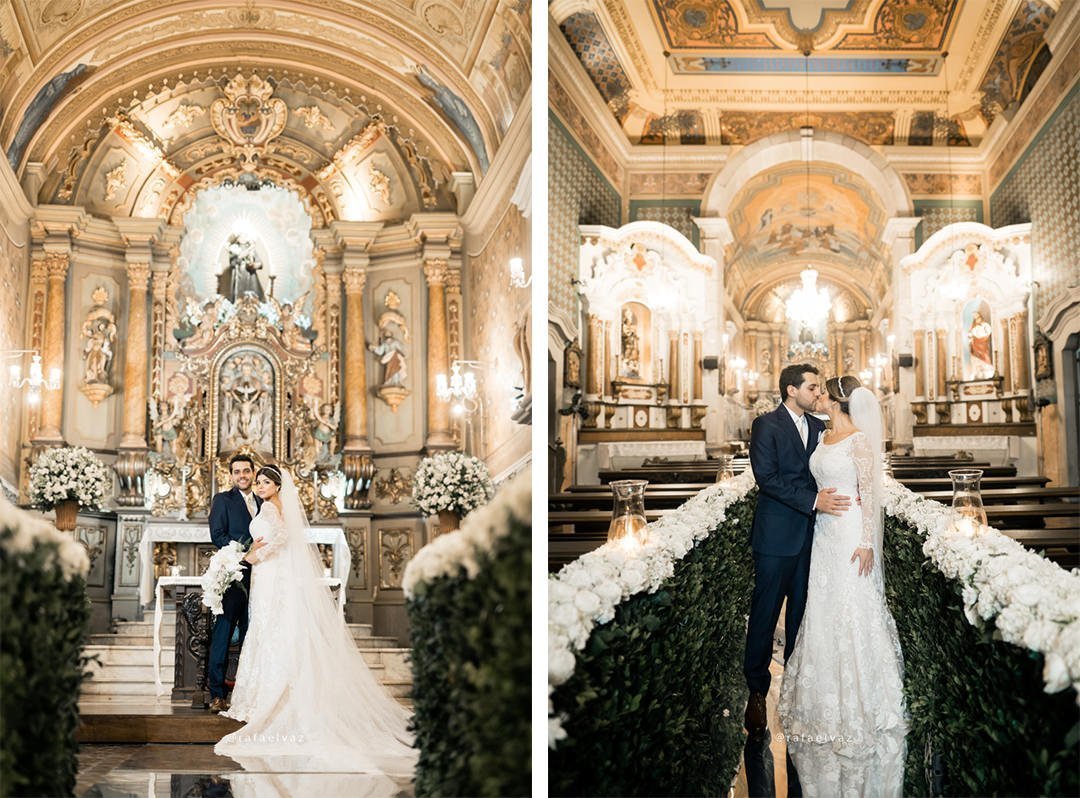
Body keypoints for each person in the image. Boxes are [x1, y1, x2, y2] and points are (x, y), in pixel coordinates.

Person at [215, 464, 417, 775]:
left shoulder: (270, 506)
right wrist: (255, 551)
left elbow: (280, 536)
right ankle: (270, 696)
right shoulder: (270, 505)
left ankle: (273, 698)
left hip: (271, 576)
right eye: (258, 482)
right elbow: (276, 535)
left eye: (265, 481)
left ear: (278, 485)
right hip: (271, 576)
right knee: (269, 630)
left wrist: (253, 557)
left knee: (271, 631)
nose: (259, 485)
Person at [778, 376, 908, 796]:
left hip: (850, 532)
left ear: (835, 398)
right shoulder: (824, 433)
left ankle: (860, 704)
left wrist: (868, 540)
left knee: (853, 608)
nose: (816, 395)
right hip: (824, 535)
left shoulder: (858, 441)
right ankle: (825, 700)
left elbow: (870, 494)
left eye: (821, 390)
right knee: (824, 608)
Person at [744, 364, 850, 794]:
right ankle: (756, 688)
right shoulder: (765, 425)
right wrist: (813, 501)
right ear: (791, 390)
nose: (817, 391)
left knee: (804, 615)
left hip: (813, 538)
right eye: (811, 386)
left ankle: (797, 689)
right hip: (776, 536)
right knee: (765, 613)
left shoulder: (822, 426)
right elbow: (765, 480)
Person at [207, 454, 263, 713]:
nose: (242, 475)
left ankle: (249, 694)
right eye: (237, 471)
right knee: (224, 634)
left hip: (262, 578)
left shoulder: (264, 500)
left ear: (253, 473)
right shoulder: (223, 500)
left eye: (246, 471)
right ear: (231, 475)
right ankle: (217, 694)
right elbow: (218, 536)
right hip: (233, 576)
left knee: (253, 636)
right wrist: (244, 555)